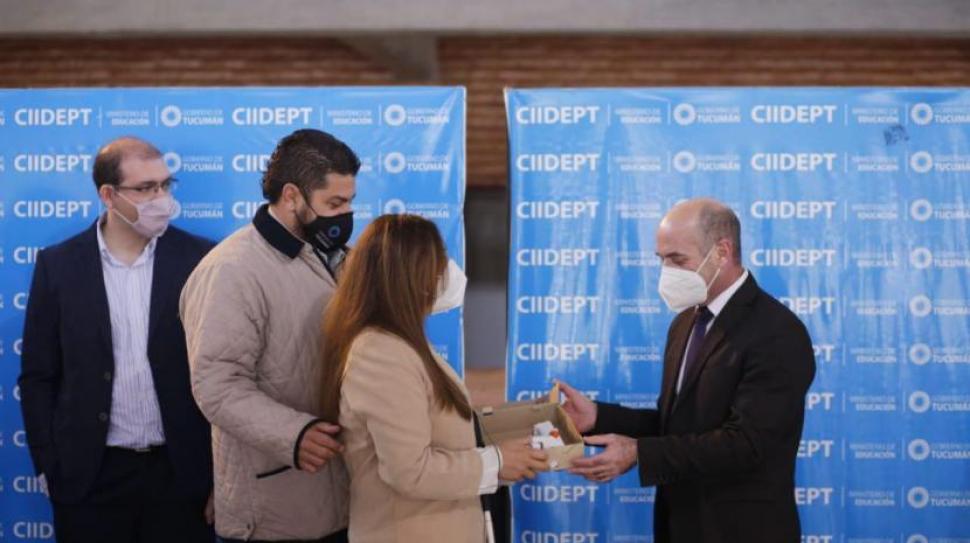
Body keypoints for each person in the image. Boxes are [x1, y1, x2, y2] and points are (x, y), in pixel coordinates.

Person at [559, 198, 816, 543]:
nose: (667, 271)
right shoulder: (684, 323)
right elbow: (678, 426)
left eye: (678, 260)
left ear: (722, 252)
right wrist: (598, 416)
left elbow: (748, 443)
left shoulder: (777, 331)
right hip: (679, 525)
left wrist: (639, 453)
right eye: (661, 260)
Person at [19, 136, 215, 543]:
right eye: (145, 188)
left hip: (180, 476)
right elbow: (39, 375)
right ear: (108, 195)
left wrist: (218, 476)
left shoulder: (200, 259)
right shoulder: (59, 265)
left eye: (165, 185)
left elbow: (222, 372)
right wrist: (50, 465)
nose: (161, 199)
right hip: (91, 478)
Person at [319, 214, 548, 543]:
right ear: (412, 276)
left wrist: (529, 418)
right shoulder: (380, 353)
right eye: (438, 263)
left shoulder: (402, 342)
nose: (446, 274)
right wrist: (496, 463)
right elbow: (409, 470)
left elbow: (437, 420)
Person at [179, 129, 359, 542]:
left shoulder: (340, 259)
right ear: (292, 196)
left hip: (346, 502)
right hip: (273, 511)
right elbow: (217, 385)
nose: (346, 214)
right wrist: (294, 435)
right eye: (335, 203)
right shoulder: (231, 270)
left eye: (350, 202)